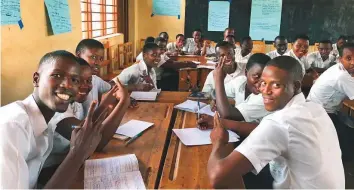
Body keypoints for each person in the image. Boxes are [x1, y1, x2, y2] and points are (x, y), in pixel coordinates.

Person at [207, 56, 345, 189]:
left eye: (276, 85)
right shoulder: (315, 109)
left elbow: (217, 177)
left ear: (296, 86)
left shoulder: (280, 123)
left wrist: (218, 141)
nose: (265, 91)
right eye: (263, 83)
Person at [0, 50, 111, 188]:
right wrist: (77, 154)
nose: (68, 85)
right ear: (36, 79)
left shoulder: (46, 121)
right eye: (57, 75)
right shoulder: (12, 127)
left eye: (75, 80)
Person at [307, 42, 354, 160]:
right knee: (349, 132)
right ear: (340, 59)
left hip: (315, 107)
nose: (353, 62)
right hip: (321, 112)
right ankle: (343, 160)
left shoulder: (338, 68)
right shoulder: (342, 76)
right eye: (348, 58)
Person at [75, 39, 112, 115]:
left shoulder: (95, 79)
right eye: (93, 57)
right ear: (78, 55)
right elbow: (76, 126)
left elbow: (112, 87)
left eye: (101, 59)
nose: (98, 63)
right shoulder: (69, 86)